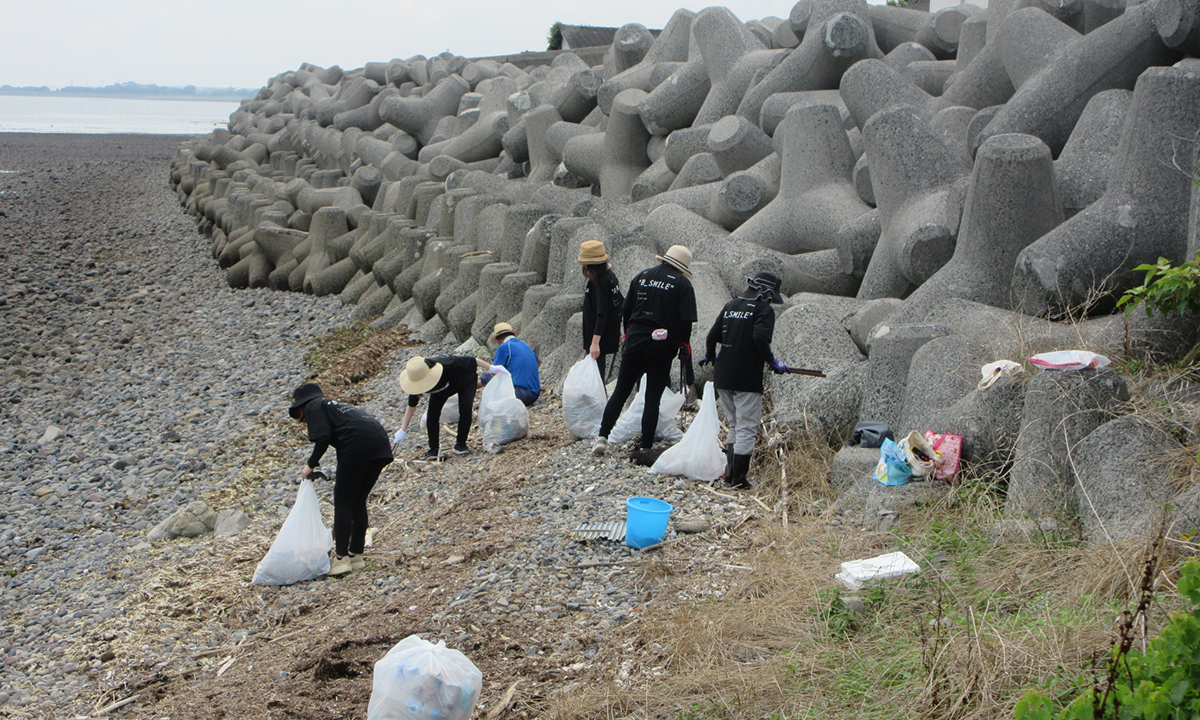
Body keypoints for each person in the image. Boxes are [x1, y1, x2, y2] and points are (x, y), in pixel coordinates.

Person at [592, 245, 697, 460]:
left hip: (635, 340)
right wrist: (683, 345)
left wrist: (629, 333)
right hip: (661, 346)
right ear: (682, 267)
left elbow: (626, 310)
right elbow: (686, 321)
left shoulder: (643, 276)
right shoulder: (682, 284)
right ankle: (646, 443)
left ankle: (602, 436)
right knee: (652, 396)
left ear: (664, 260)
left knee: (621, 392)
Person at [288, 382, 393, 577]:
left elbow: (323, 438)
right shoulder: (336, 407)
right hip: (381, 444)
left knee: (343, 501)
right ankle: (356, 555)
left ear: (301, 405)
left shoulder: (314, 406)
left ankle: (342, 558)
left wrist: (310, 465)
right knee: (358, 500)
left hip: (356, 445)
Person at [699, 272, 789, 488]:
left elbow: (712, 336)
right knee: (747, 427)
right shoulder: (763, 309)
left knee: (735, 425)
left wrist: (710, 355)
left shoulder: (731, 306)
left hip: (723, 374)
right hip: (746, 376)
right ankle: (739, 480)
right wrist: (772, 360)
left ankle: (730, 475)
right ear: (766, 293)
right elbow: (759, 337)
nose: (770, 302)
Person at [395, 354, 499, 460]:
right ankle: (433, 450)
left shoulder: (447, 363)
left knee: (465, 409)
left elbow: (474, 360)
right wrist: (402, 430)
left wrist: (491, 368)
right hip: (441, 390)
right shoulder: (417, 381)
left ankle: (461, 445)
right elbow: (411, 406)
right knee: (432, 416)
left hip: (466, 380)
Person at [577, 239, 623, 380]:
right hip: (609, 329)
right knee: (597, 373)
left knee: (595, 375)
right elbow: (619, 302)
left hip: (599, 335)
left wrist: (595, 342)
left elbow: (602, 313)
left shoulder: (598, 283)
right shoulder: (610, 276)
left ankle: (599, 400)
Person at [480, 322, 541, 406]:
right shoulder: (523, 344)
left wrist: (473, 385)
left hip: (520, 394)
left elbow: (494, 373)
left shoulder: (504, 347)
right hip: (535, 393)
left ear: (499, 340)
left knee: (486, 377)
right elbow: (539, 361)